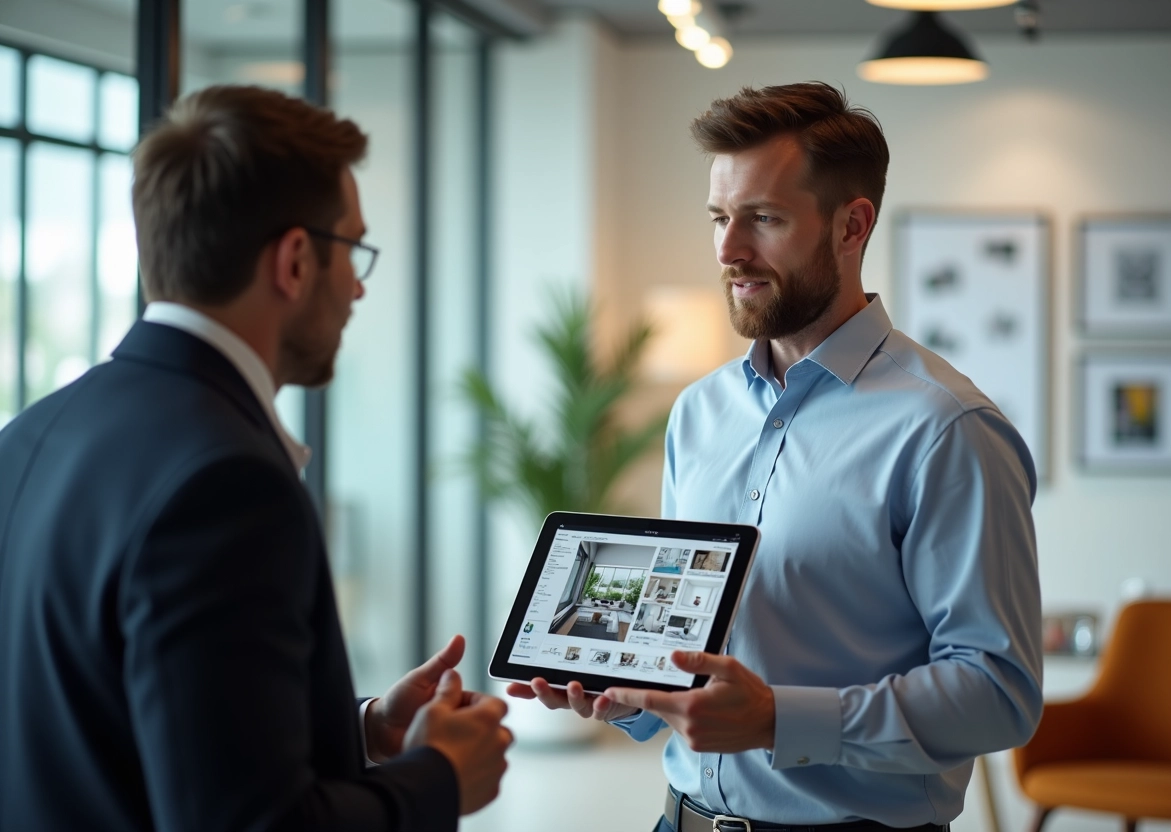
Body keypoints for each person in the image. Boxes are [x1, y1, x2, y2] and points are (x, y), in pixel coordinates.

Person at [509, 81, 1042, 830]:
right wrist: (624, 694)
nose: (729, 250)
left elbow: (998, 693)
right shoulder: (699, 413)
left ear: (852, 225)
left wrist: (777, 719)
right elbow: (685, 652)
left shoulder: (947, 429)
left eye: (764, 218)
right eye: (719, 218)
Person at [0, 85, 511, 831]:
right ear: (296, 261)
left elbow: (132, 733)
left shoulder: (29, 433)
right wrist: (439, 776)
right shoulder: (226, 483)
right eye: (353, 249)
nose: (358, 286)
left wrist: (361, 728)